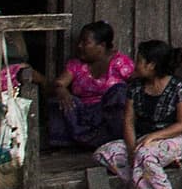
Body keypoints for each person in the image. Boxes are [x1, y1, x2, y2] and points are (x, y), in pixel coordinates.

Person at [94, 38, 182, 189]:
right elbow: (128, 121)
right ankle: (146, 181)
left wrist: (153, 137)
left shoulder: (180, 87)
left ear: (151, 65)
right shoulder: (135, 88)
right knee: (104, 154)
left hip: (173, 139)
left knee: (144, 155)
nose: (135, 64)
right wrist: (131, 148)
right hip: (142, 141)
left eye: (139, 61)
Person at [44, 21, 135, 151]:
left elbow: (136, 86)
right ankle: (73, 143)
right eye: (80, 42)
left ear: (101, 46)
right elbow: (59, 83)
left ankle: (113, 140)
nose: (80, 46)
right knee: (59, 101)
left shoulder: (120, 62)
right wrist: (62, 91)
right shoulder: (76, 64)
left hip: (108, 118)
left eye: (85, 43)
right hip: (84, 116)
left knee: (119, 92)